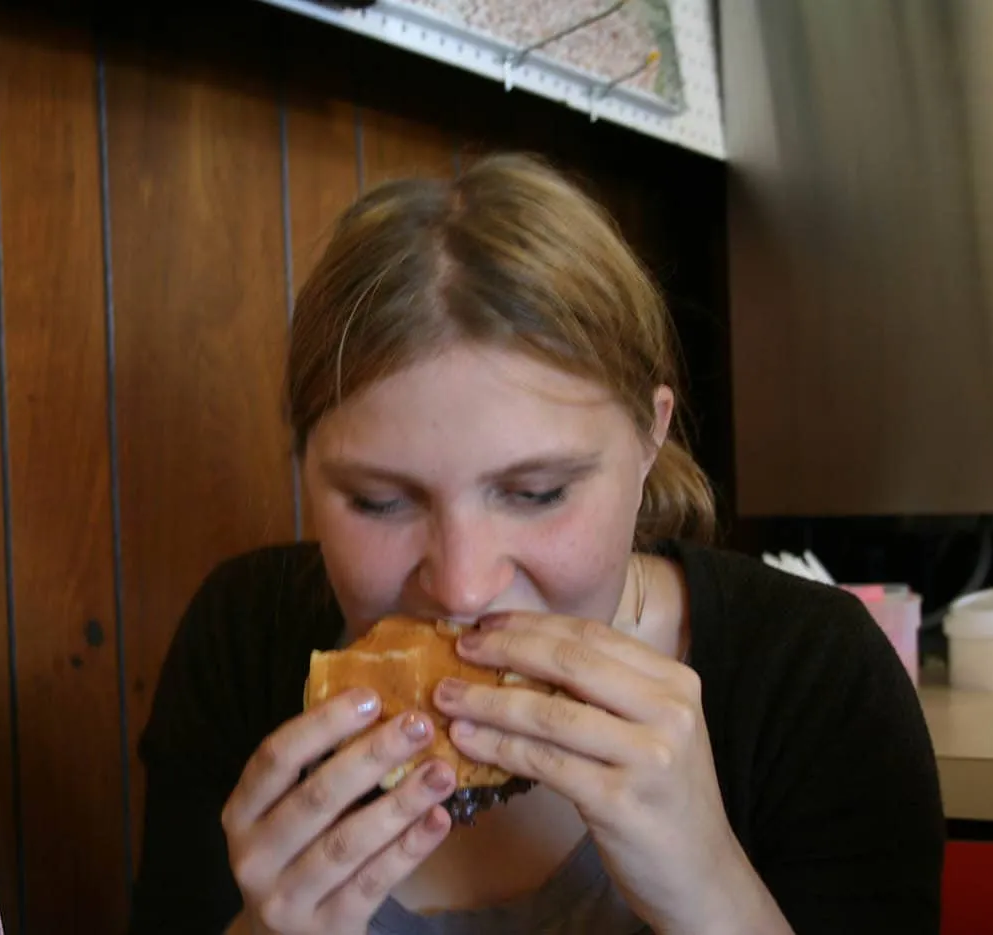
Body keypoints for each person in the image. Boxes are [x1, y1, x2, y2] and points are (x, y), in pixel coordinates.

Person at [127, 153, 945, 935]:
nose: (463, 586)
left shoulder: (816, 677)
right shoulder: (241, 640)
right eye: (379, 501)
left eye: (536, 493)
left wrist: (712, 892)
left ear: (650, 435)